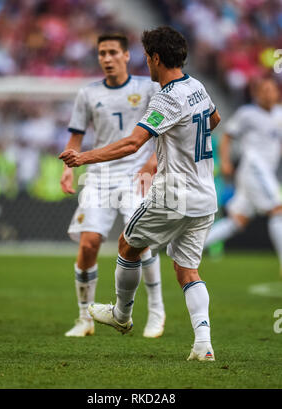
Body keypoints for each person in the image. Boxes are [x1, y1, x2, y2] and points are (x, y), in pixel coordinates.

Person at [60, 26, 221, 362]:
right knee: (186, 270)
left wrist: (82, 158)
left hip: (174, 194)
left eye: (147, 57)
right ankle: (203, 344)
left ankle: (121, 314)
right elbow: (214, 118)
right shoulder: (197, 87)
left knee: (127, 245)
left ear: (155, 58)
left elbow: (133, 142)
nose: (146, 63)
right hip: (206, 196)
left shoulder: (166, 97)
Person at [60, 33, 165, 338]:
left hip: (138, 175)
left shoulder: (148, 88)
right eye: (101, 53)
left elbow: (164, 129)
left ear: (126, 56)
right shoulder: (88, 94)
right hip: (100, 176)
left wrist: (154, 161)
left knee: (140, 242)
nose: (106, 58)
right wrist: (68, 169)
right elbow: (77, 136)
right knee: (89, 244)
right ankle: (84, 318)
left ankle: (156, 312)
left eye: (112, 53)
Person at [204, 77, 282, 277]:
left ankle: (189, 249)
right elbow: (227, 137)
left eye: (271, 90)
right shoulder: (247, 114)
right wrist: (226, 162)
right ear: (257, 93)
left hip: (265, 172)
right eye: (263, 90)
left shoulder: (279, 115)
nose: (268, 94)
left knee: (238, 220)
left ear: (277, 93)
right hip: (254, 167)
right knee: (277, 209)